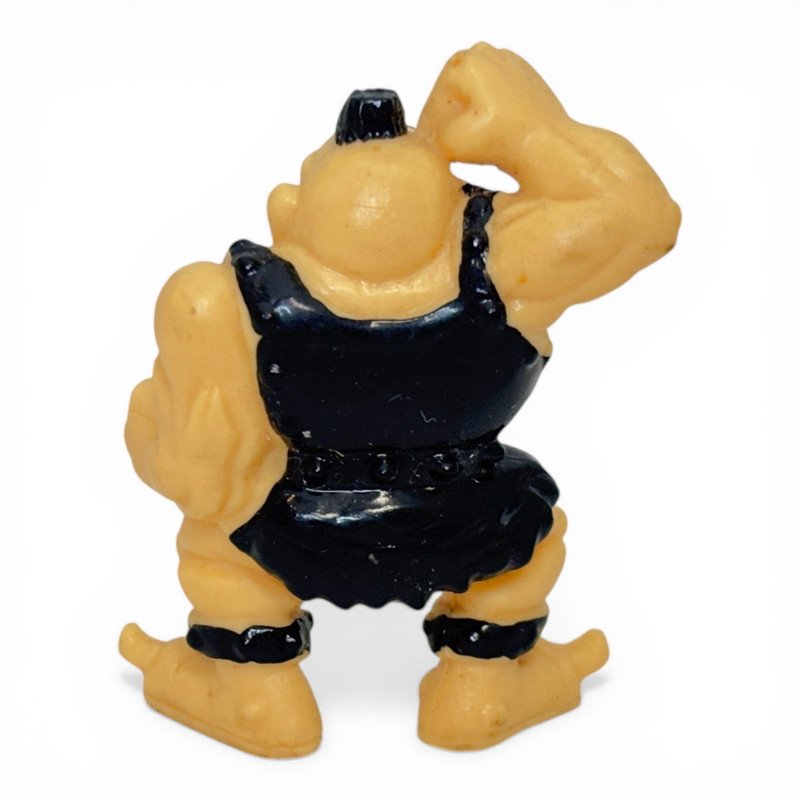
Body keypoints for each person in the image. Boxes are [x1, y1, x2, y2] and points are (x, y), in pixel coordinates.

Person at [120, 43, 680, 756]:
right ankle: (481, 681)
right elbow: (641, 217)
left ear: (289, 208)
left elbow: (197, 476)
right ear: (464, 205)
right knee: (530, 544)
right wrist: (532, 131)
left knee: (222, 550)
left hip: (293, 524)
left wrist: (155, 425)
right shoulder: (509, 276)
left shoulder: (218, 300)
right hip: (475, 517)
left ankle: (254, 688)